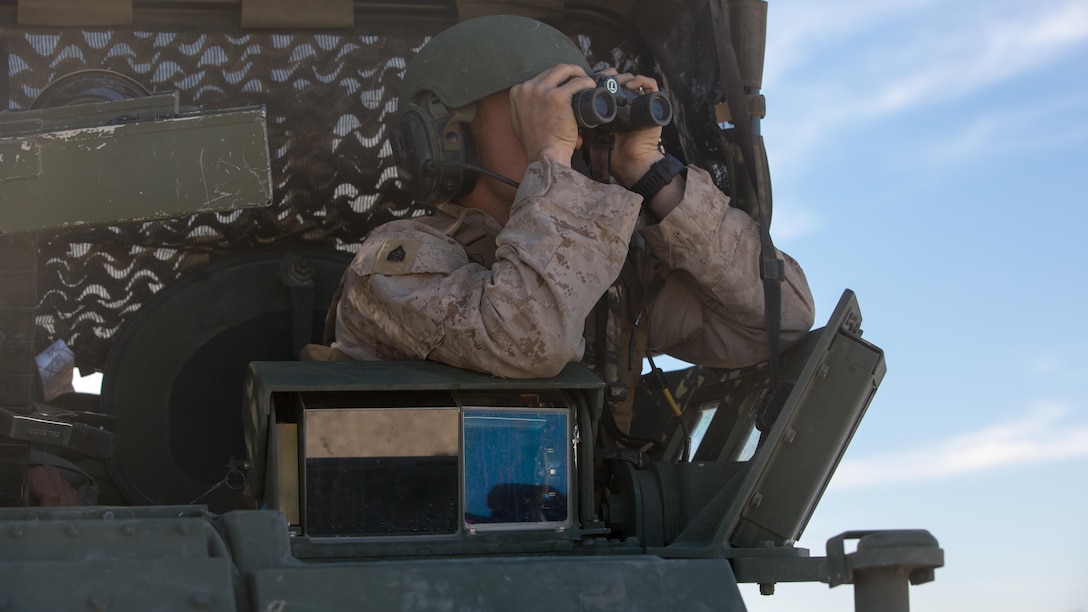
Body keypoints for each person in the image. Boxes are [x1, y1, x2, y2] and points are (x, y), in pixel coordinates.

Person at [329, 15, 815, 434]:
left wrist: (651, 173)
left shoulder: (600, 264)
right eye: (541, 106)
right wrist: (551, 157)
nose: (570, 130)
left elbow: (780, 320)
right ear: (449, 138)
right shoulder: (394, 265)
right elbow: (527, 339)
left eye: (573, 108)